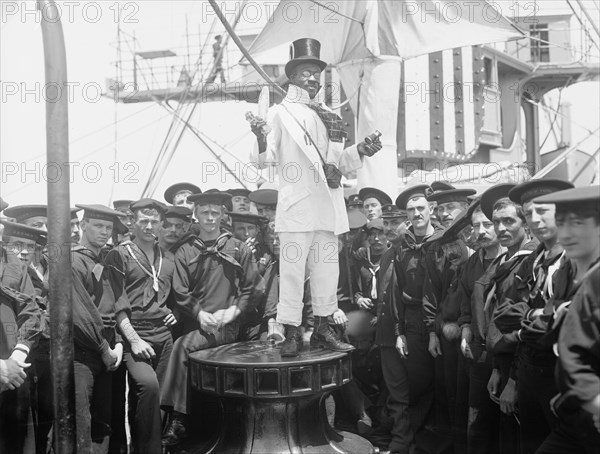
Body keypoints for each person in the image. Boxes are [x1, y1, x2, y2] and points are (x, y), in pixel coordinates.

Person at [249, 37, 382, 357]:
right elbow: (261, 161)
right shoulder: (281, 113)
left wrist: (360, 151)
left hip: (328, 205)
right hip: (296, 206)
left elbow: (335, 165)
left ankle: (323, 330)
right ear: (292, 76)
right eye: (306, 72)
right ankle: (292, 331)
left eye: (316, 72)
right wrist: (259, 136)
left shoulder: (330, 116)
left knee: (326, 271)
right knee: (293, 272)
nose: (312, 78)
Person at [160, 191, 259, 446]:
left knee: (183, 347)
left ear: (223, 214)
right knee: (180, 345)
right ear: (196, 214)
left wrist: (234, 311)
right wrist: (200, 313)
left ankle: (178, 419)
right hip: (199, 322)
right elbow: (180, 290)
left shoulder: (237, 247)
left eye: (215, 212)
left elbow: (252, 287)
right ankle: (181, 423)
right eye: (205, 212)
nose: (210, 218)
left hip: (227, 325)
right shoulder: (185, 250)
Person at [533, 186, 600, 454]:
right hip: (577, 416)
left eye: (577, 223)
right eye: (562, 223)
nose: (567, 233)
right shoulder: (584, 276)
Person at [71, 204, 127, 452]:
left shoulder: (105, 261)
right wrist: (105, 349)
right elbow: (79, 315)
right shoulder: (73, 260)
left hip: (107, 348)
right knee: (80, 422)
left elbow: (114, 306)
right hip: (82, 352)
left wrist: (119, 344)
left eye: (108, 228)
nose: (104, 232)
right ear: (83, 225)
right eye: (98, 226)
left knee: (102, 425)